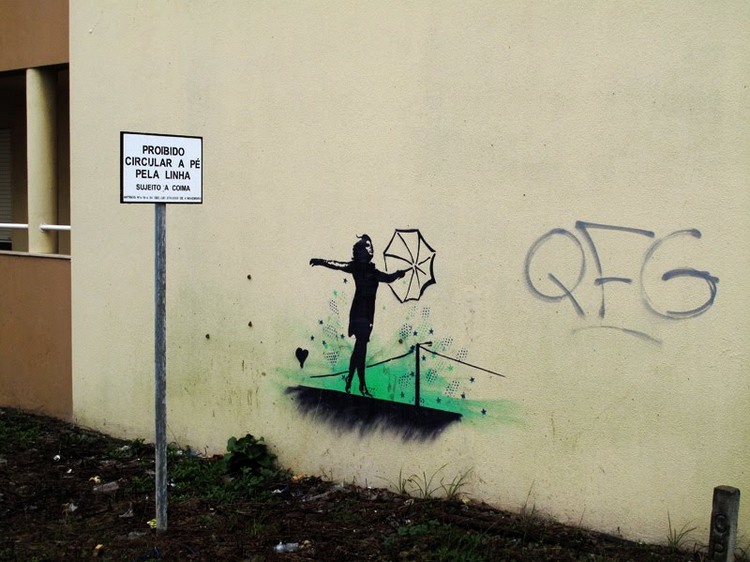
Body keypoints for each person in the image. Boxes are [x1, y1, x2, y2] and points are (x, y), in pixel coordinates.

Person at [310, 234, 407, 396]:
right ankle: (361, 385)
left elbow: (387, 278)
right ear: (361, 250)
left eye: (371, 245)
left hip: (360, 313)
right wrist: (398, 274)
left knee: (358, 350)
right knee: (361, 350)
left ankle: (351, 381)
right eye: (368, 246)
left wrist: (398, 274)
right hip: (364, 314)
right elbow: (337, 265)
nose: (371, 248)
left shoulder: (365, 269)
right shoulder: (362, 268)